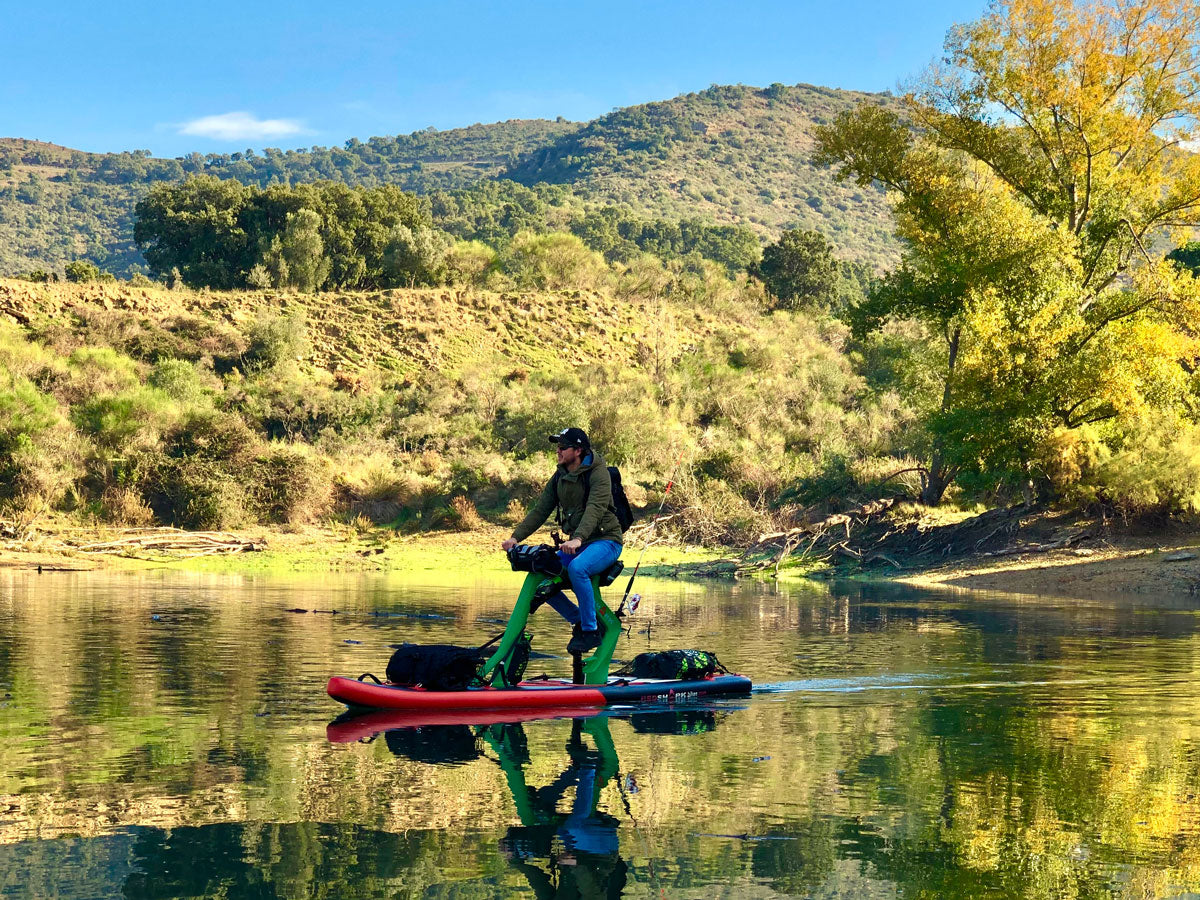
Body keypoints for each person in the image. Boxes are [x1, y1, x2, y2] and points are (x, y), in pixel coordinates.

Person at [502, 427, 623, 654]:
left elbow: (595, 509)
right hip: (579, 544)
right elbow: (540, 510)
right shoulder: (560, 475)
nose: (557, 451)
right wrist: (515, 537)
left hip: (606, 541)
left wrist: (578, 538)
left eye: (563, 447)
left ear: (578, 450)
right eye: (557, 446)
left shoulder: (598, 473)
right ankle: (577, 618)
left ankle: (589, 631)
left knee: (578, 568)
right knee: (542, 576)